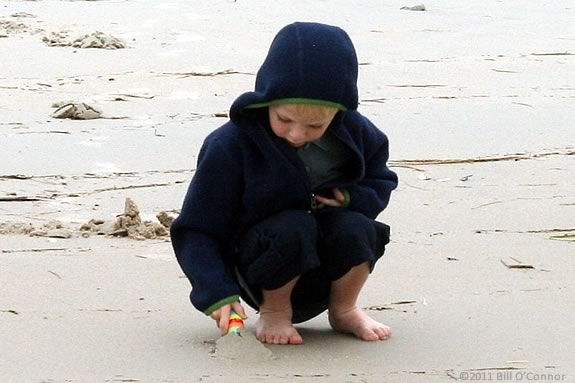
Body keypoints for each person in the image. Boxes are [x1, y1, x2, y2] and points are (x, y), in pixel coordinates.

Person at [170, 22, 398, 345]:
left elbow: (381, 178)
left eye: (314, 125)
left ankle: (344, 309)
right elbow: (196, 228)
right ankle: (275, 314)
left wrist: (351, 197)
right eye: (285, 120)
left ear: (338, 113)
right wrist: (216, 291)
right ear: (267, 100)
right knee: (294, 226)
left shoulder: (359, 135)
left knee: (359, 227)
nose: (296, 134)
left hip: (326, 273)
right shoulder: (230, 145)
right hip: (262, 270)